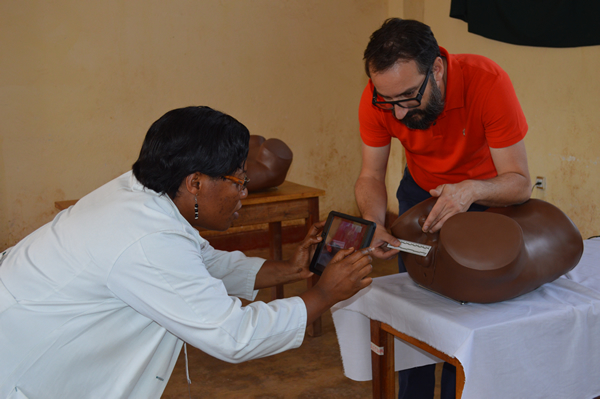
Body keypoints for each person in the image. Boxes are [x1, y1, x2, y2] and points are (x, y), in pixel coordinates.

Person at [0, 106, 373, 399]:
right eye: (238, 181)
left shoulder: (140, 195)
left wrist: (289, 270)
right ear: (195, 182)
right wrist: (322, 296)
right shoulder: (145, 240)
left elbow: (200, 263)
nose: (244, 193)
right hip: (26, 367)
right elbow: (234, 335)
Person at [354, 18, 531, 399]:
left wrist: (469, 192)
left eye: (407, 98)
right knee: (419, 305)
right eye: (389, 101)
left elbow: (518, 183)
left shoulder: (487, 82)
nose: (398, 114)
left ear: (436, 68)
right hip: (420, 194)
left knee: (470, 314)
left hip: (487, 198)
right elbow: (370, 175)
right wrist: (373, 222)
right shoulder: (381, 97)